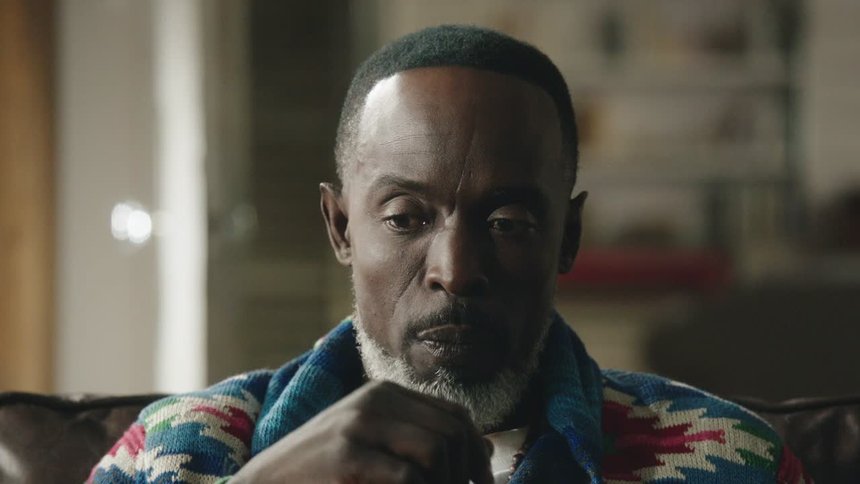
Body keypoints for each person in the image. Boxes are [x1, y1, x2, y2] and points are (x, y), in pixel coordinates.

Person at [89, 25, 809, 483]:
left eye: (508, 223)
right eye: (405, 217)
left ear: (567, 238)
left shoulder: (725, 460)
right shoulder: (174, 453)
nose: (457, 272)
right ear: (341, 229)